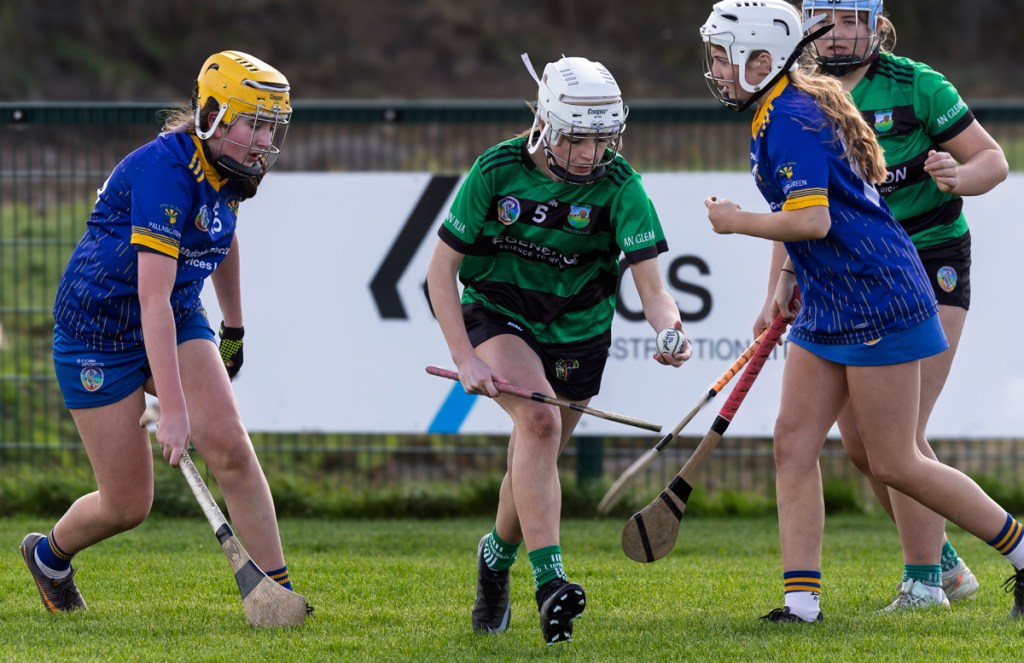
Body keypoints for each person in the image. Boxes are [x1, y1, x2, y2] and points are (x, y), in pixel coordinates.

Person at [698, 0, 1023, 623]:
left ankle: (1011, 554)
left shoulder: (792, 116)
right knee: (794, 442)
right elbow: (818, 208)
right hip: (831, 295)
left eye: (721, 58)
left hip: (876, 293)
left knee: (897, 458)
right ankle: (801, 604)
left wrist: (737, 222)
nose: (713, 70)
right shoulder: (782, 106)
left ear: (761, 61)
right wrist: (785, 279)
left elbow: (814, 220)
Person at [426, 53, 691, 644]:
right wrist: (465, 357)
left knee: (535, 452)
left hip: (579, 332)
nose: (590, 154)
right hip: (498, 312)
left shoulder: (621, 186)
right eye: (576, 139)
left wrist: (669, 329)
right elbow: (440, 273)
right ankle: (551, 585)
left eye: (602, 139)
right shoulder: (497, 170)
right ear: (545, 123)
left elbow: (654, 290)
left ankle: (494, 560)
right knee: (540, 424)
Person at [21, 51, 299, 614]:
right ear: (212, 116)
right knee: (128, 504)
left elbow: (221, 235)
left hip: (175, 310)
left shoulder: (229, 166)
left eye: (271, 126)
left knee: (230, 445)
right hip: (97, 331)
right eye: (253, 123)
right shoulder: (164, 174)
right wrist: (172, 410)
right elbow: (149, 300)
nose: (263, 140)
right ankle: (48, 556)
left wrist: (234, 326)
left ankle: (277, 594)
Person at [798, 0, 1008, 611]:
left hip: (930, 258)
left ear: (874, 25)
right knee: (863, 448)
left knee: (902, 439)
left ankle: (923, 582)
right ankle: (946, 564)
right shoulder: (799, 96)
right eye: (823, 19)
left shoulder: (917, 85)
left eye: (849, 20)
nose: (835, 33)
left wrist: (958, 177)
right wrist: (784, 277)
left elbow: (992, 161)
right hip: (852, 273)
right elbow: (801, 201)